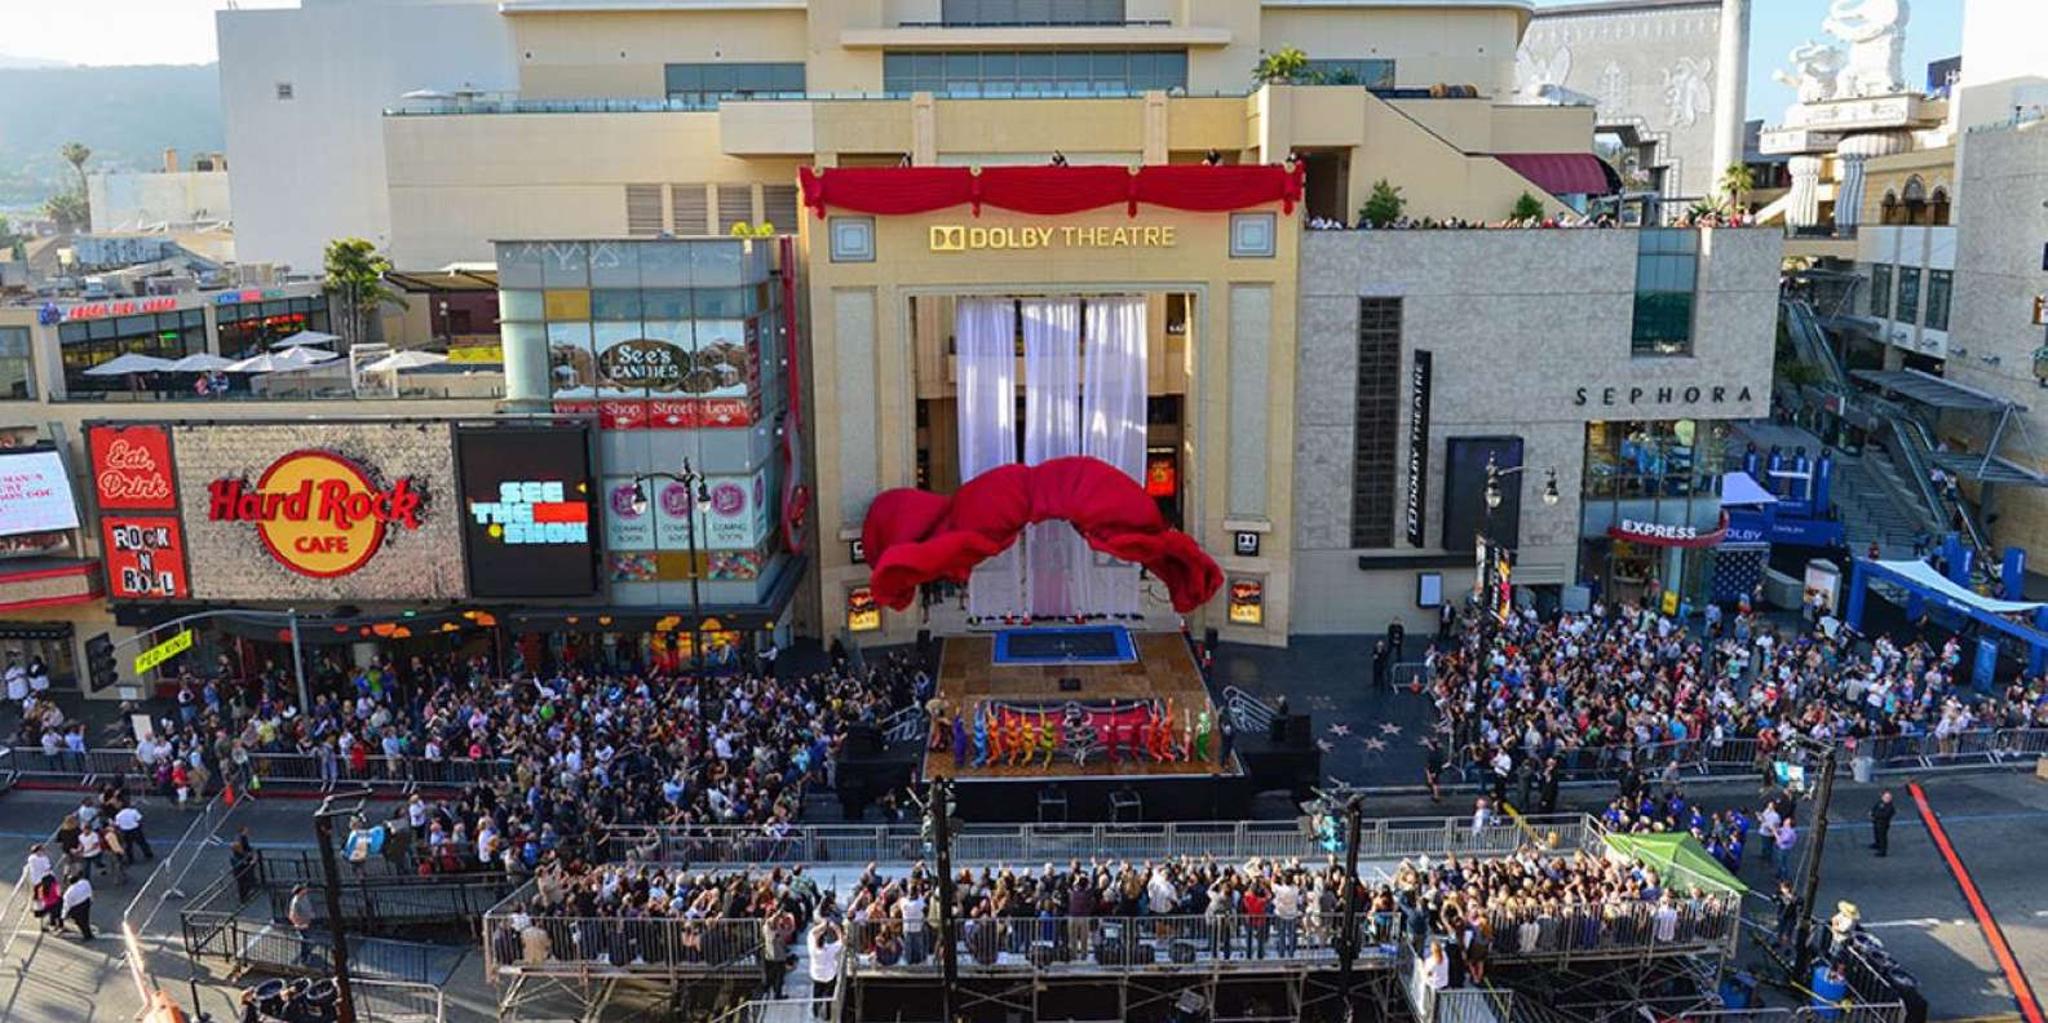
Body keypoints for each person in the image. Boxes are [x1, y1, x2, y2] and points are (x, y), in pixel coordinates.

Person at [807, 918, 842, 1014]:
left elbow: (811, 933)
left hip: (817, 975)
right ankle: (827, 1013)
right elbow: (841, 941)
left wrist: (822, 925)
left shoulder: (812, 949)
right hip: (829, 976)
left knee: (816, 994)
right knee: (829, 996)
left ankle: (815, 1011)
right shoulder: (830, 949)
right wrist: (836, 928)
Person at [288, 883, 318, 966]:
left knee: (308, 938)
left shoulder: (305, 897)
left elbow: (308, 906)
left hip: (308, 921)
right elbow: (292, 915)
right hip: (302, 924)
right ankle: (304, 958)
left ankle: (307, 954)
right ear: (300, 891)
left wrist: (311, 914)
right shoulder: (296, 902)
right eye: (304, 889)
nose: (306, 890)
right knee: (304, 940)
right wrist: (298, 924)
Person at [61, 872, 93, 940]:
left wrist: (63, 915)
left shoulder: (68, 893)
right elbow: (89, 890)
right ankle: (88, 933)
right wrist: (90, 899)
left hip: (76, 907)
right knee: (85, 919)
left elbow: (67, 905)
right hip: (86, 903)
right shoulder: (85, 882)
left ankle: (87, 935)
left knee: (79, 921)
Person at [1869, 790, 1895, 857]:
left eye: (1888, 798)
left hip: (1883, 824)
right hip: (1877, 822)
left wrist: (1874, 815)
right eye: (1885, 797)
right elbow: (1874, 808)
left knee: (1882, 837)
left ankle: (1882, 851)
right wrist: (1872, 813)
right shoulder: (1880, 803)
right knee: (1876, 833)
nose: (1886, 799)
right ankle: (1877, 844)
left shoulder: (1890, 807)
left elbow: (1885, 815)